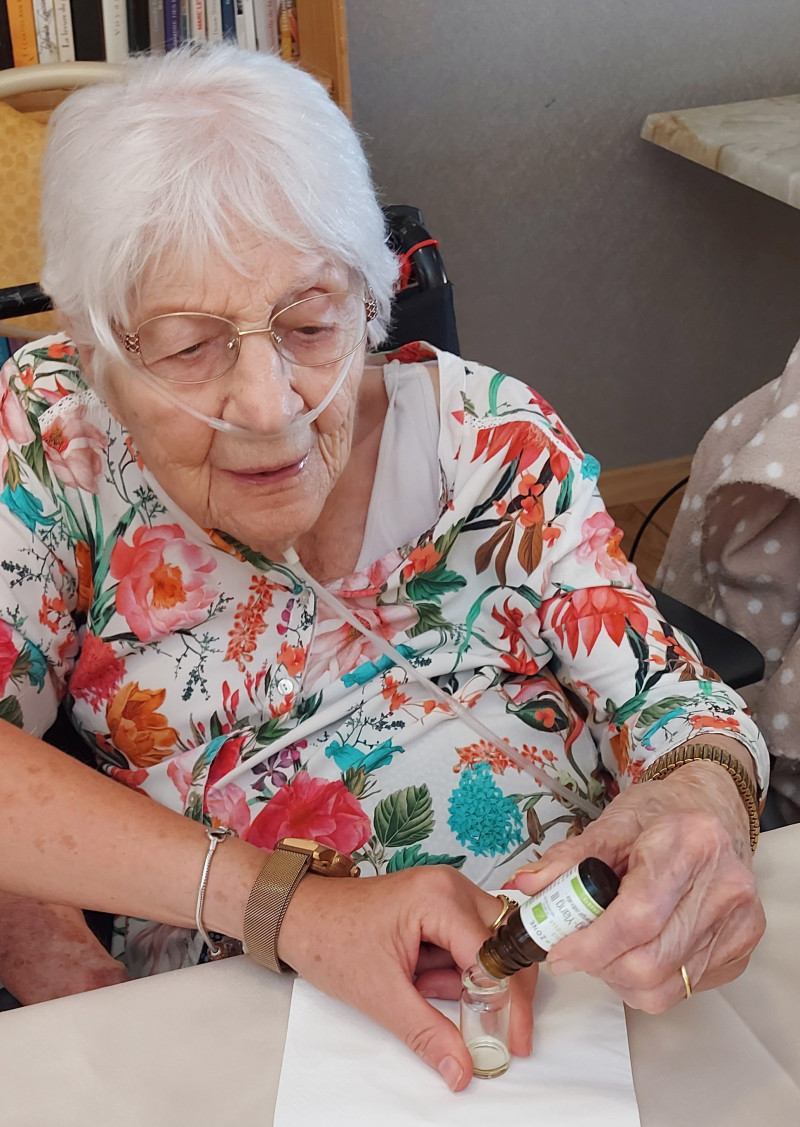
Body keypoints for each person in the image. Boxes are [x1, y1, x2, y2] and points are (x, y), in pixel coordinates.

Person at [0, 45, 768, 1089]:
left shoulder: (492, 440)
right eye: (187, 348)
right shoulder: (58, 443)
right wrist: (244, 931)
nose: (271, 407)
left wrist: (702, 807)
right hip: (246, 1011)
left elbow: (681, 703)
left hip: (587, 990)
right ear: (94, 355)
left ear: (368, 301)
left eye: (310, 324)